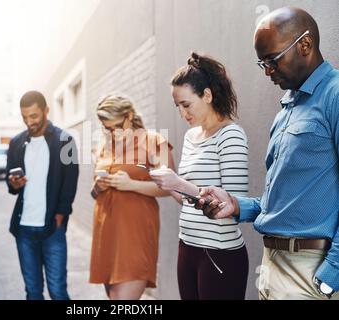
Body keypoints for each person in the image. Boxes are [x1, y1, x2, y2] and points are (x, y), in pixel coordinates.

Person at [198, 7, 339, 300]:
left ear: (305, 45)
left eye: (273, 60)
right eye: (262, 63)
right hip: (272, 266)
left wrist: (331, 275)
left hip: (310, 272)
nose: (268, 72)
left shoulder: (334, 95)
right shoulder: (287, 109)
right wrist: (237, 206)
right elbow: (283, 201)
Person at [150, 52, 249, 300]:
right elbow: (186, 200)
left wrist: (178, 182)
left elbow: (233, 205)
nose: (183, 113)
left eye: (186, 104)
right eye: (178, 107)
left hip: (220, 254)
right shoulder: (191, 137)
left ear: (207, 95)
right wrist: (164, 179)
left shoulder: (231, 135)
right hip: (188, 248)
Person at [89, 95, 174, 300]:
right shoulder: (103, 145)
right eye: (106, 128)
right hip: (106, 232)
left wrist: (131, 185)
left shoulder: (153, 141)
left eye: (117, 126)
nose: (113, 133)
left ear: (129, 116)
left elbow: (170, 188)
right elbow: (93, 193)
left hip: (135, 232)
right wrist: (98, 187)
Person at [6, 90, 79, 300]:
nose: (29, 122)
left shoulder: (66, 140)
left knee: (57, 290)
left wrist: (60, 216)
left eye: (34, 116)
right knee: (33, 291)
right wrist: (15, 184)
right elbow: (11, 188)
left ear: (46, 110)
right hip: (24, 229)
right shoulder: (16, 143)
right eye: (25, 117)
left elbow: (70, 182)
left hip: (52, 229)